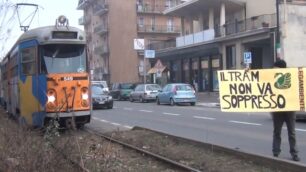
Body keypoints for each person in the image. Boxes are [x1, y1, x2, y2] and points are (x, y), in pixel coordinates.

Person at [271, 59, 300, 161]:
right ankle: (275, 152)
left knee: (291, 132)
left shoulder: (292, 77)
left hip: (290, 109)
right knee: (277, 132)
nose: (274, 69)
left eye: (275, 68)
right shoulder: (271, 77)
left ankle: (294, 153)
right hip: (277, 110)